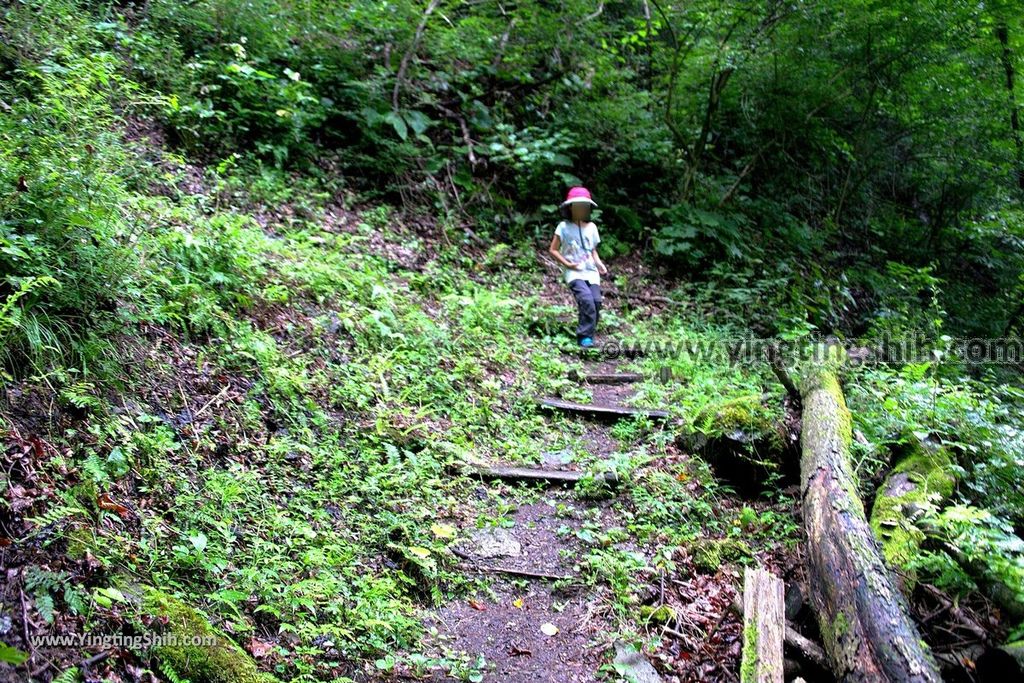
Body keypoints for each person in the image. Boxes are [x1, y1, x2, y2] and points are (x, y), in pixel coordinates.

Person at [548, 186, 608, 347]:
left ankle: (589, 332)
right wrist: (567, 263)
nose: (581, 209)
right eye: (578, 205)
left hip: (591, 272)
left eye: (584, 206)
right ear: (570, 207)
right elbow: (553, 249)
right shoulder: (563, 227)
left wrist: (599, 263)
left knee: (596, 301)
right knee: (586, 299)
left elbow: (592, 250)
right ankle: (584, 337)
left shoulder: (592, 228)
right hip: (574, 272)